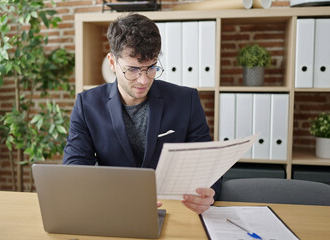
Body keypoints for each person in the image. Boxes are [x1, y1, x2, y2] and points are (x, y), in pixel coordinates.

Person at [63, 13, 222, 214]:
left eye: (151, 68)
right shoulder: (87, 105)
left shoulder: (186, 100)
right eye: (132, 69)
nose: (143, 80)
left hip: (175, 211)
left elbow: (209, 166)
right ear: (112, 62)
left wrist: (209, 194)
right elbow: (75, 168)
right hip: (113, 210)